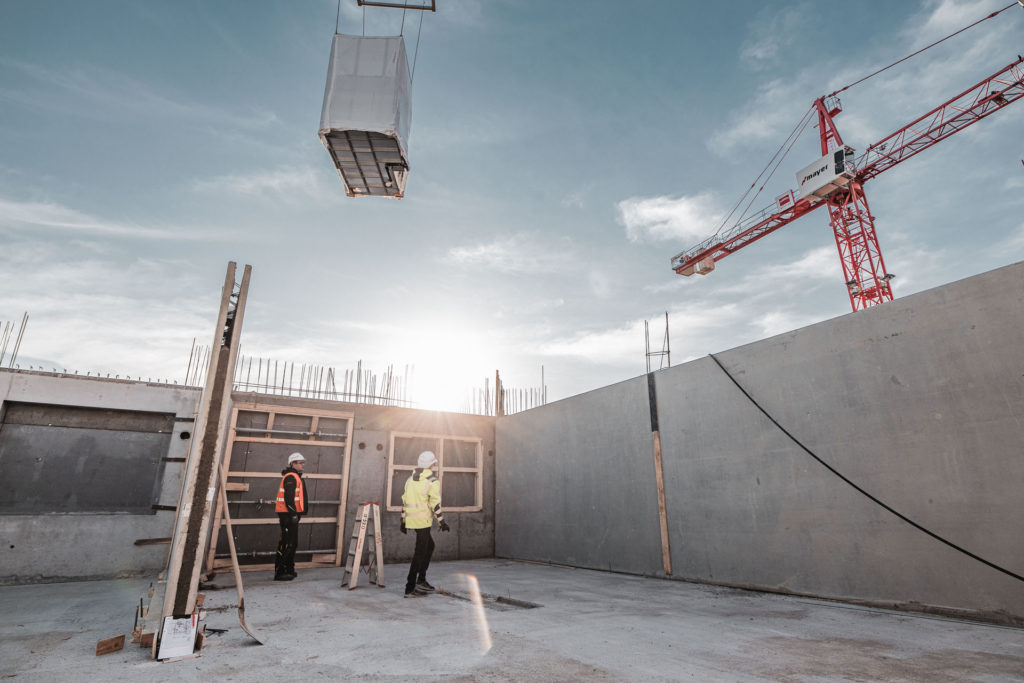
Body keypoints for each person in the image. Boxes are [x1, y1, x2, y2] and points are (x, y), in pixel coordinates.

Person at [401, 450, 449, 597]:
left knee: (429, 546)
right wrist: (442, 522)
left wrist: (403, 520)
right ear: (431, 465)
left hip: (412, 520)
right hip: (423, 522)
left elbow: (404, 500)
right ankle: (410, 588)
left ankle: (421, 580)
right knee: (419, 552)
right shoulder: (432, 481)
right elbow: (435, 504)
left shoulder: (410, 480)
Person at [274, 452, 308, 581]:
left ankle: (289, 569)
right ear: (293, 464)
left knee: (292, 543)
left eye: (303, 462)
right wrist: (293, 514)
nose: (303, 465)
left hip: (292, 515)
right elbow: (289, 499)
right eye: (300, 463)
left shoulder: (295, 477)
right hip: (287, 515)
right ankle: (280, 572)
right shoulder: (290, 477)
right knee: (286, 543)